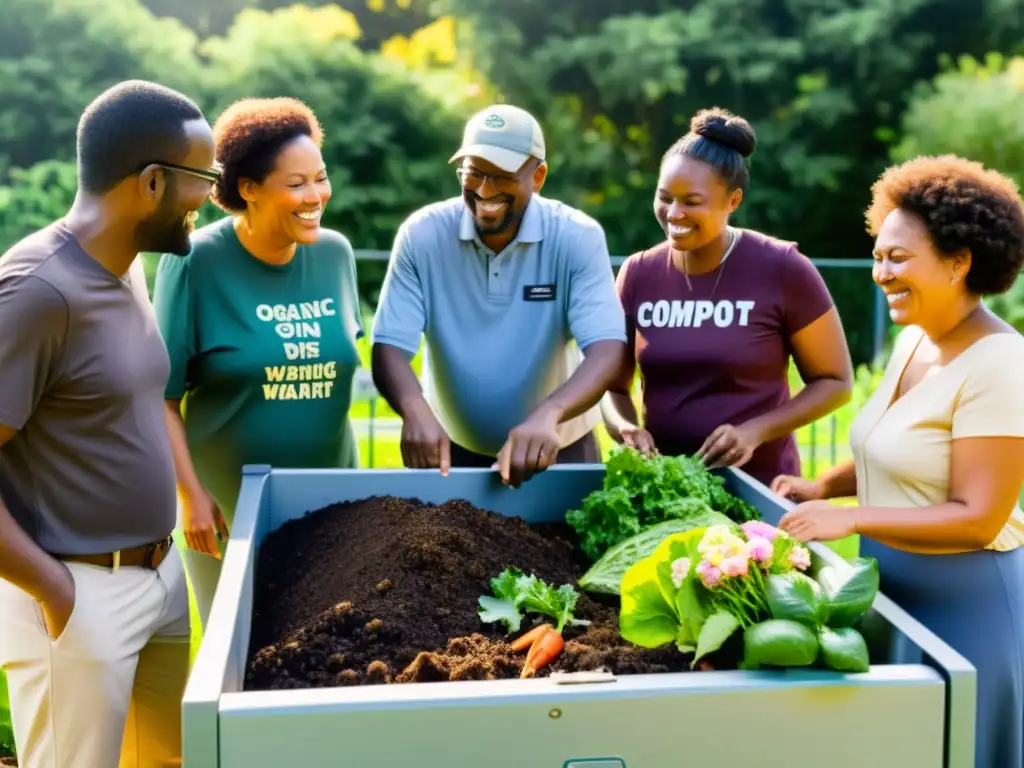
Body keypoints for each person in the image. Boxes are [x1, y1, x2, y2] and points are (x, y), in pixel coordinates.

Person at [774, 154, 1024, 768]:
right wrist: (821, 487)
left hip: (968, 607)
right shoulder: (913, 339)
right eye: (879, 256)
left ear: (960, 262)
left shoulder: (1001, 363)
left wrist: (855, 518)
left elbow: (977, 517)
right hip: (895, 594)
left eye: (899, 258)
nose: (881, 274)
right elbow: (892, 450)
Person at [0, 79, 216, 768]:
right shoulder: (39, 291)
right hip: (77, 593)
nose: (209, 196)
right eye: (201, 179)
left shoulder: (128, 270)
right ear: (152, 183)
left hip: (157, 578)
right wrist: (57, 593)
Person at [152, 97, 364, 630]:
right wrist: (191, 497)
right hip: (226, 514)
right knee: (243, 661)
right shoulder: (194, 261)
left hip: (332, 506)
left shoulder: (336, 254)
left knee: (331, 655)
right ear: (247, 187)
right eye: (296, 184)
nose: (315, 196)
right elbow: (160, 398)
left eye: (320, 178)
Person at [370, 104, 629, 487]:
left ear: (538, 176)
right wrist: (413, 408)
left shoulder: (577, 236)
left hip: (559, 449)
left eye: (502, 175)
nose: (484, 190)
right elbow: (389, 346)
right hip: (451, 453)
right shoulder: (422, 235)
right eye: (473, 172)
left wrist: (550, 414)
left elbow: (607, 351)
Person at [602, 107, 853, 487]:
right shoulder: (638, 273)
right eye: (665, 197)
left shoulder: (782, 267)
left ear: (732, 201)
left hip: (760, 488)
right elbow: (613, 385)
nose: (674, 213)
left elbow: (835, 382)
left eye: (691, 201)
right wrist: (625, 429)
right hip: (667, 489)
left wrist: (756, 431)